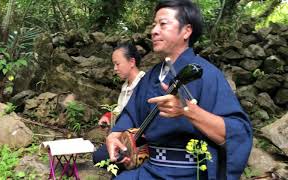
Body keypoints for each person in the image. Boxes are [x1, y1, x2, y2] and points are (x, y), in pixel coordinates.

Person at [105, 0, 253, 179]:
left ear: (186, 31)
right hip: (149, 168)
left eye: (163, 24)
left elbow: (238, 133)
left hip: (188, 173)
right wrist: (114, 134)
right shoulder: (152, 75)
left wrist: (188, 111)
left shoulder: (208, 75)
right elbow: (131, 113)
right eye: (154, 24)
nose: (154, 31)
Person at [93, 43, 145, 165]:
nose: (115, 69)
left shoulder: (144, 83)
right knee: (98, 157)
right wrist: (108, 116)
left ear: (132, 62)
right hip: (123, 137)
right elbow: (121, 109)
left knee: (101, 157)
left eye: (117, 64)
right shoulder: (126, 86)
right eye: (114, 65)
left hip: (139, 139)